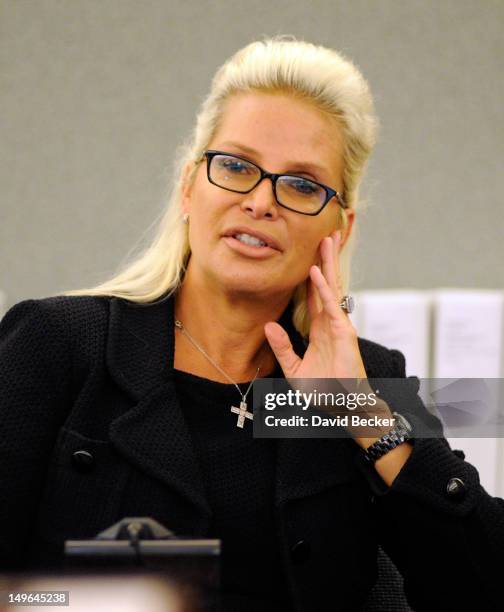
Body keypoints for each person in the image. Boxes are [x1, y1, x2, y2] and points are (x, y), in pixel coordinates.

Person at [1, 36, 503, 611]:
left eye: (301, 184)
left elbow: (485, 586)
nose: (262, 201)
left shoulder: (366, 379)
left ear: (339, 228)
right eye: (236, 165)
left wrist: (359, 413)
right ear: (190, 186)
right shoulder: (58, 344)